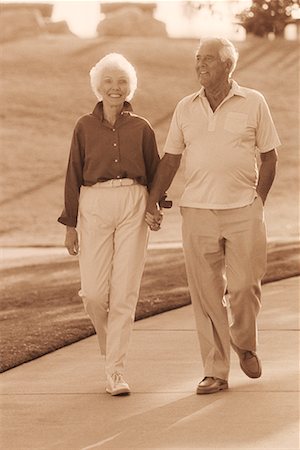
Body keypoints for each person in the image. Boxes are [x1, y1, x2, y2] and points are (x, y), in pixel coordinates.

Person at [145, 37, 281, 394]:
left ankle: (244, 342)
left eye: (207, 59)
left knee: (244, 288)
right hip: (198, 211)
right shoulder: (185, 108)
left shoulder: (254, 102)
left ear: (227, 65)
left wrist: (258, 202)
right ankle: (215, 370)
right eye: (197, 59)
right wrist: (152, 201)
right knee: (206, 294)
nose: (200, 65)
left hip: (243, 210)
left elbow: (269, 156)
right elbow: (171, 158)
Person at [58, 53, 161, 396]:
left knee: (124, 294)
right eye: (109, 81)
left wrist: (154, 207)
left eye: (121, 81)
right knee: (94, 294)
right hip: (94, 204)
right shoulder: (83, 127)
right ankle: (109, 343)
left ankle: (115, 371)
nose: (115, 88)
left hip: (133, 201)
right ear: (98, 86)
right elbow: (73, 173)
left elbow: (156, 172)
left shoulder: (142, 127)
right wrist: (70, 224)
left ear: (130, 86)